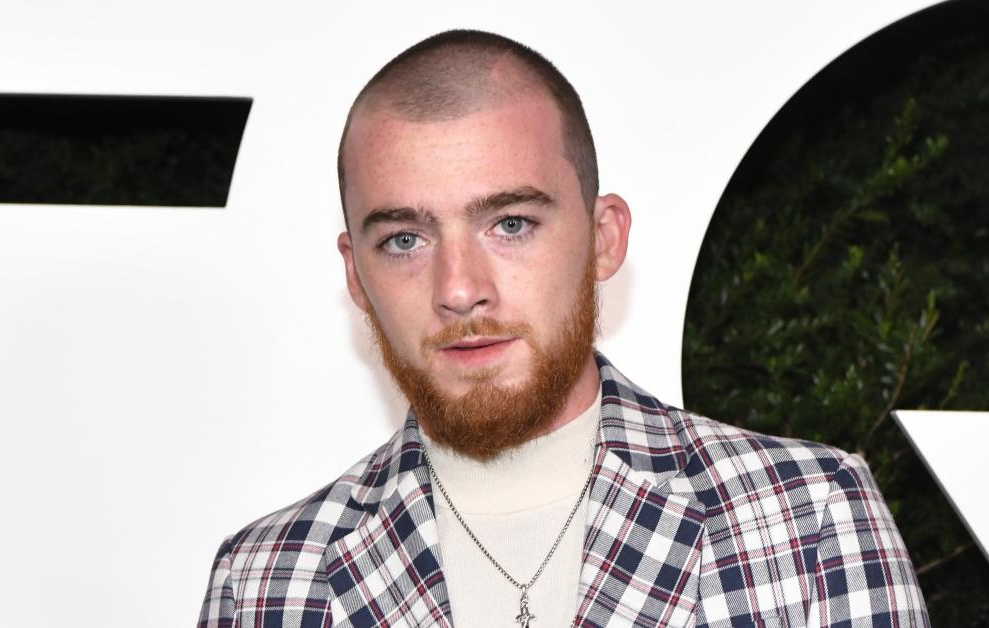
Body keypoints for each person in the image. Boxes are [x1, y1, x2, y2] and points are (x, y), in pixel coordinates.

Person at [197, 29, 929, 628]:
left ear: (604, 238)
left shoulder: (807, 522)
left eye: (510, 224)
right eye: (404, 241)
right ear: (356, 276)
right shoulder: (267, 584)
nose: (459, 290)